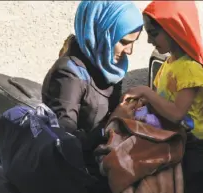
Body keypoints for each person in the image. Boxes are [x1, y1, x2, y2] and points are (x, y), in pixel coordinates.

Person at [121, 1, 203, 193]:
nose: (150, 41)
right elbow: (163, 100)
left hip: (190, 151)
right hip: (171, 141)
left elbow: (177, 113)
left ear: (174, 29)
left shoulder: (190, 69)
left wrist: (146, 92)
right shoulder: (170, 63)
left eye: (153, 33)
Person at [42, 1, 143, 192]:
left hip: (103, 158)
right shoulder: (69, 74)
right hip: (79, 174)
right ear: (102, 31)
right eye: (124, 42)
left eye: (133, 43)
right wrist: (114, 121)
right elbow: (63, 144)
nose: (129, 51)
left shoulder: (107, 67)